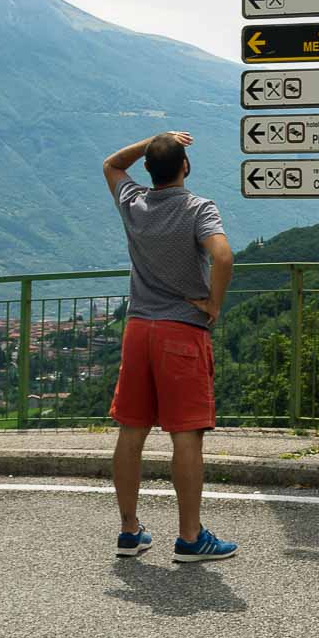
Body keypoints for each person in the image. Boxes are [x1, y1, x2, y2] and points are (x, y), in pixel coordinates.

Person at [102, 130, 238, 563]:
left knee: (132, 431)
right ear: (186, 167)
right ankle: (190, 537)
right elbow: (223, 257)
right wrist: (213, 303)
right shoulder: (199, 209)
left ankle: (129, 530)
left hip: (139, 329)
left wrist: (152, 142)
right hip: (181, 331)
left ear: (148, 169)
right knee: (185, 436)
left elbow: (111, 164)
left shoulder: (134, 202)